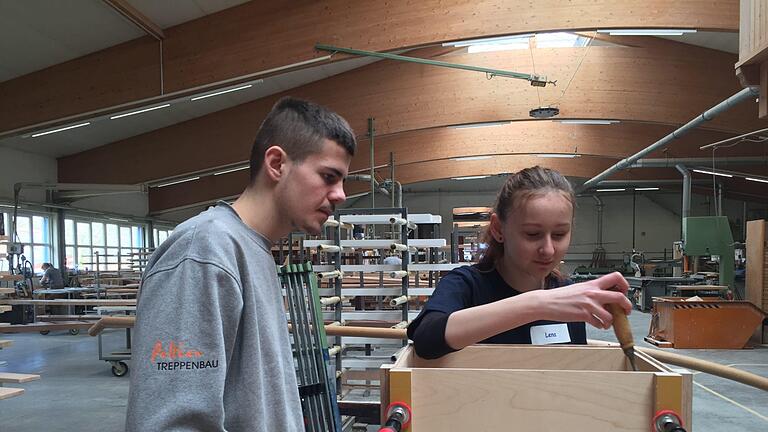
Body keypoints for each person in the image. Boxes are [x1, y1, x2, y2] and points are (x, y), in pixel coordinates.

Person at [126, 97, 356, 431]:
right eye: (329, 176)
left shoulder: (254, 250)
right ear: (277, 163)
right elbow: (174, 424)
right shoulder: (205, 251)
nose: (340, 195)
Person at [407, 166, 632, 359]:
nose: (548, 249)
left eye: (560, 234)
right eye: (532, 234)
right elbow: (427, 340)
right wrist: (537, 305)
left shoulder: (566, 293)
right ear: (498, 229)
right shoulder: (466, 285)